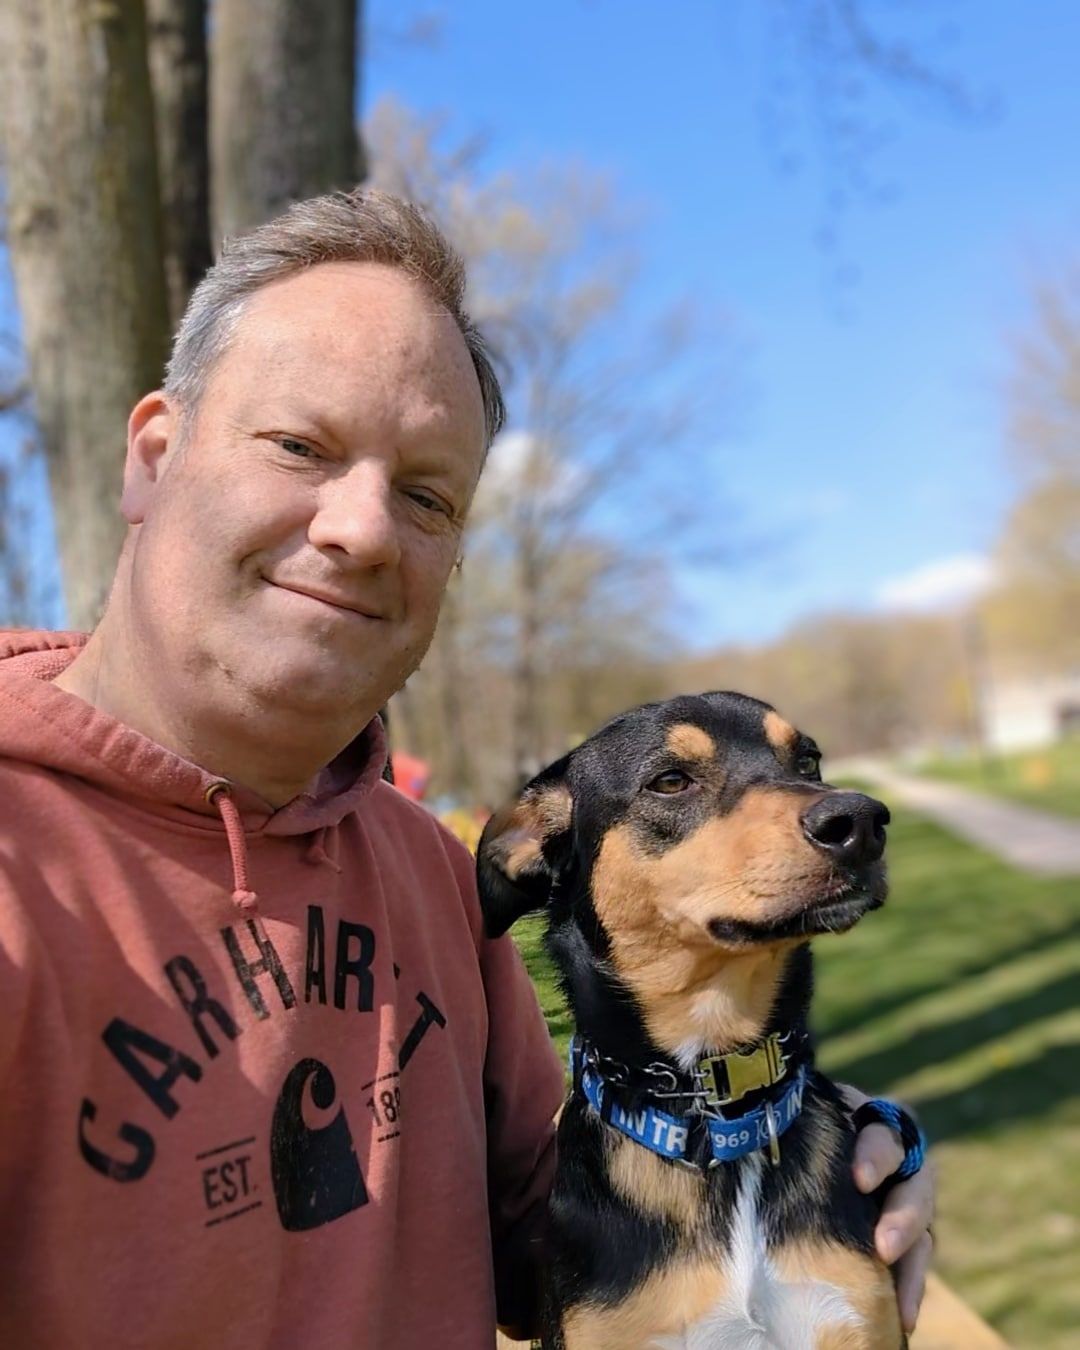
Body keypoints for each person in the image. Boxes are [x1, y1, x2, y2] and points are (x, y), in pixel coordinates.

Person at [0, 189, 932, 1348]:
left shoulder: (435, 876)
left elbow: (551, 1232)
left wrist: (820, 1151)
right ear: (155, 454)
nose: (363, 527)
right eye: (299, 445)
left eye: (427, 494)